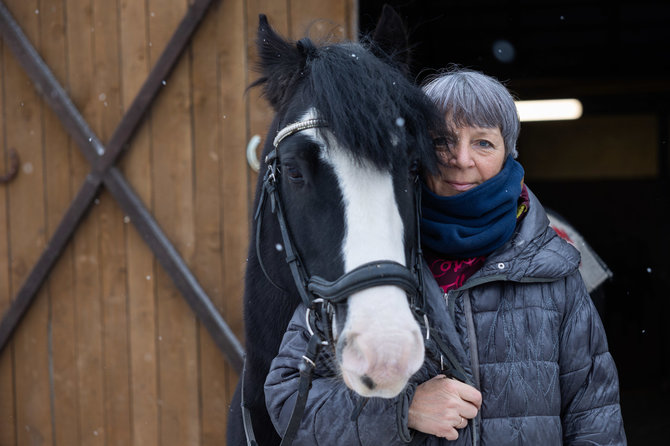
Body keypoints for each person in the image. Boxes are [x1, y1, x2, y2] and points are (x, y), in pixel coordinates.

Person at [264, 68, 626, 445]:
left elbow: (594, 418)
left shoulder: (554, 270)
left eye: (483, 143)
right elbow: (289, 400)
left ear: (508, 154)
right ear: (417, 152)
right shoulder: (369, 260)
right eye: (442, 141)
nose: (461, 159)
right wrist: (403, 411)